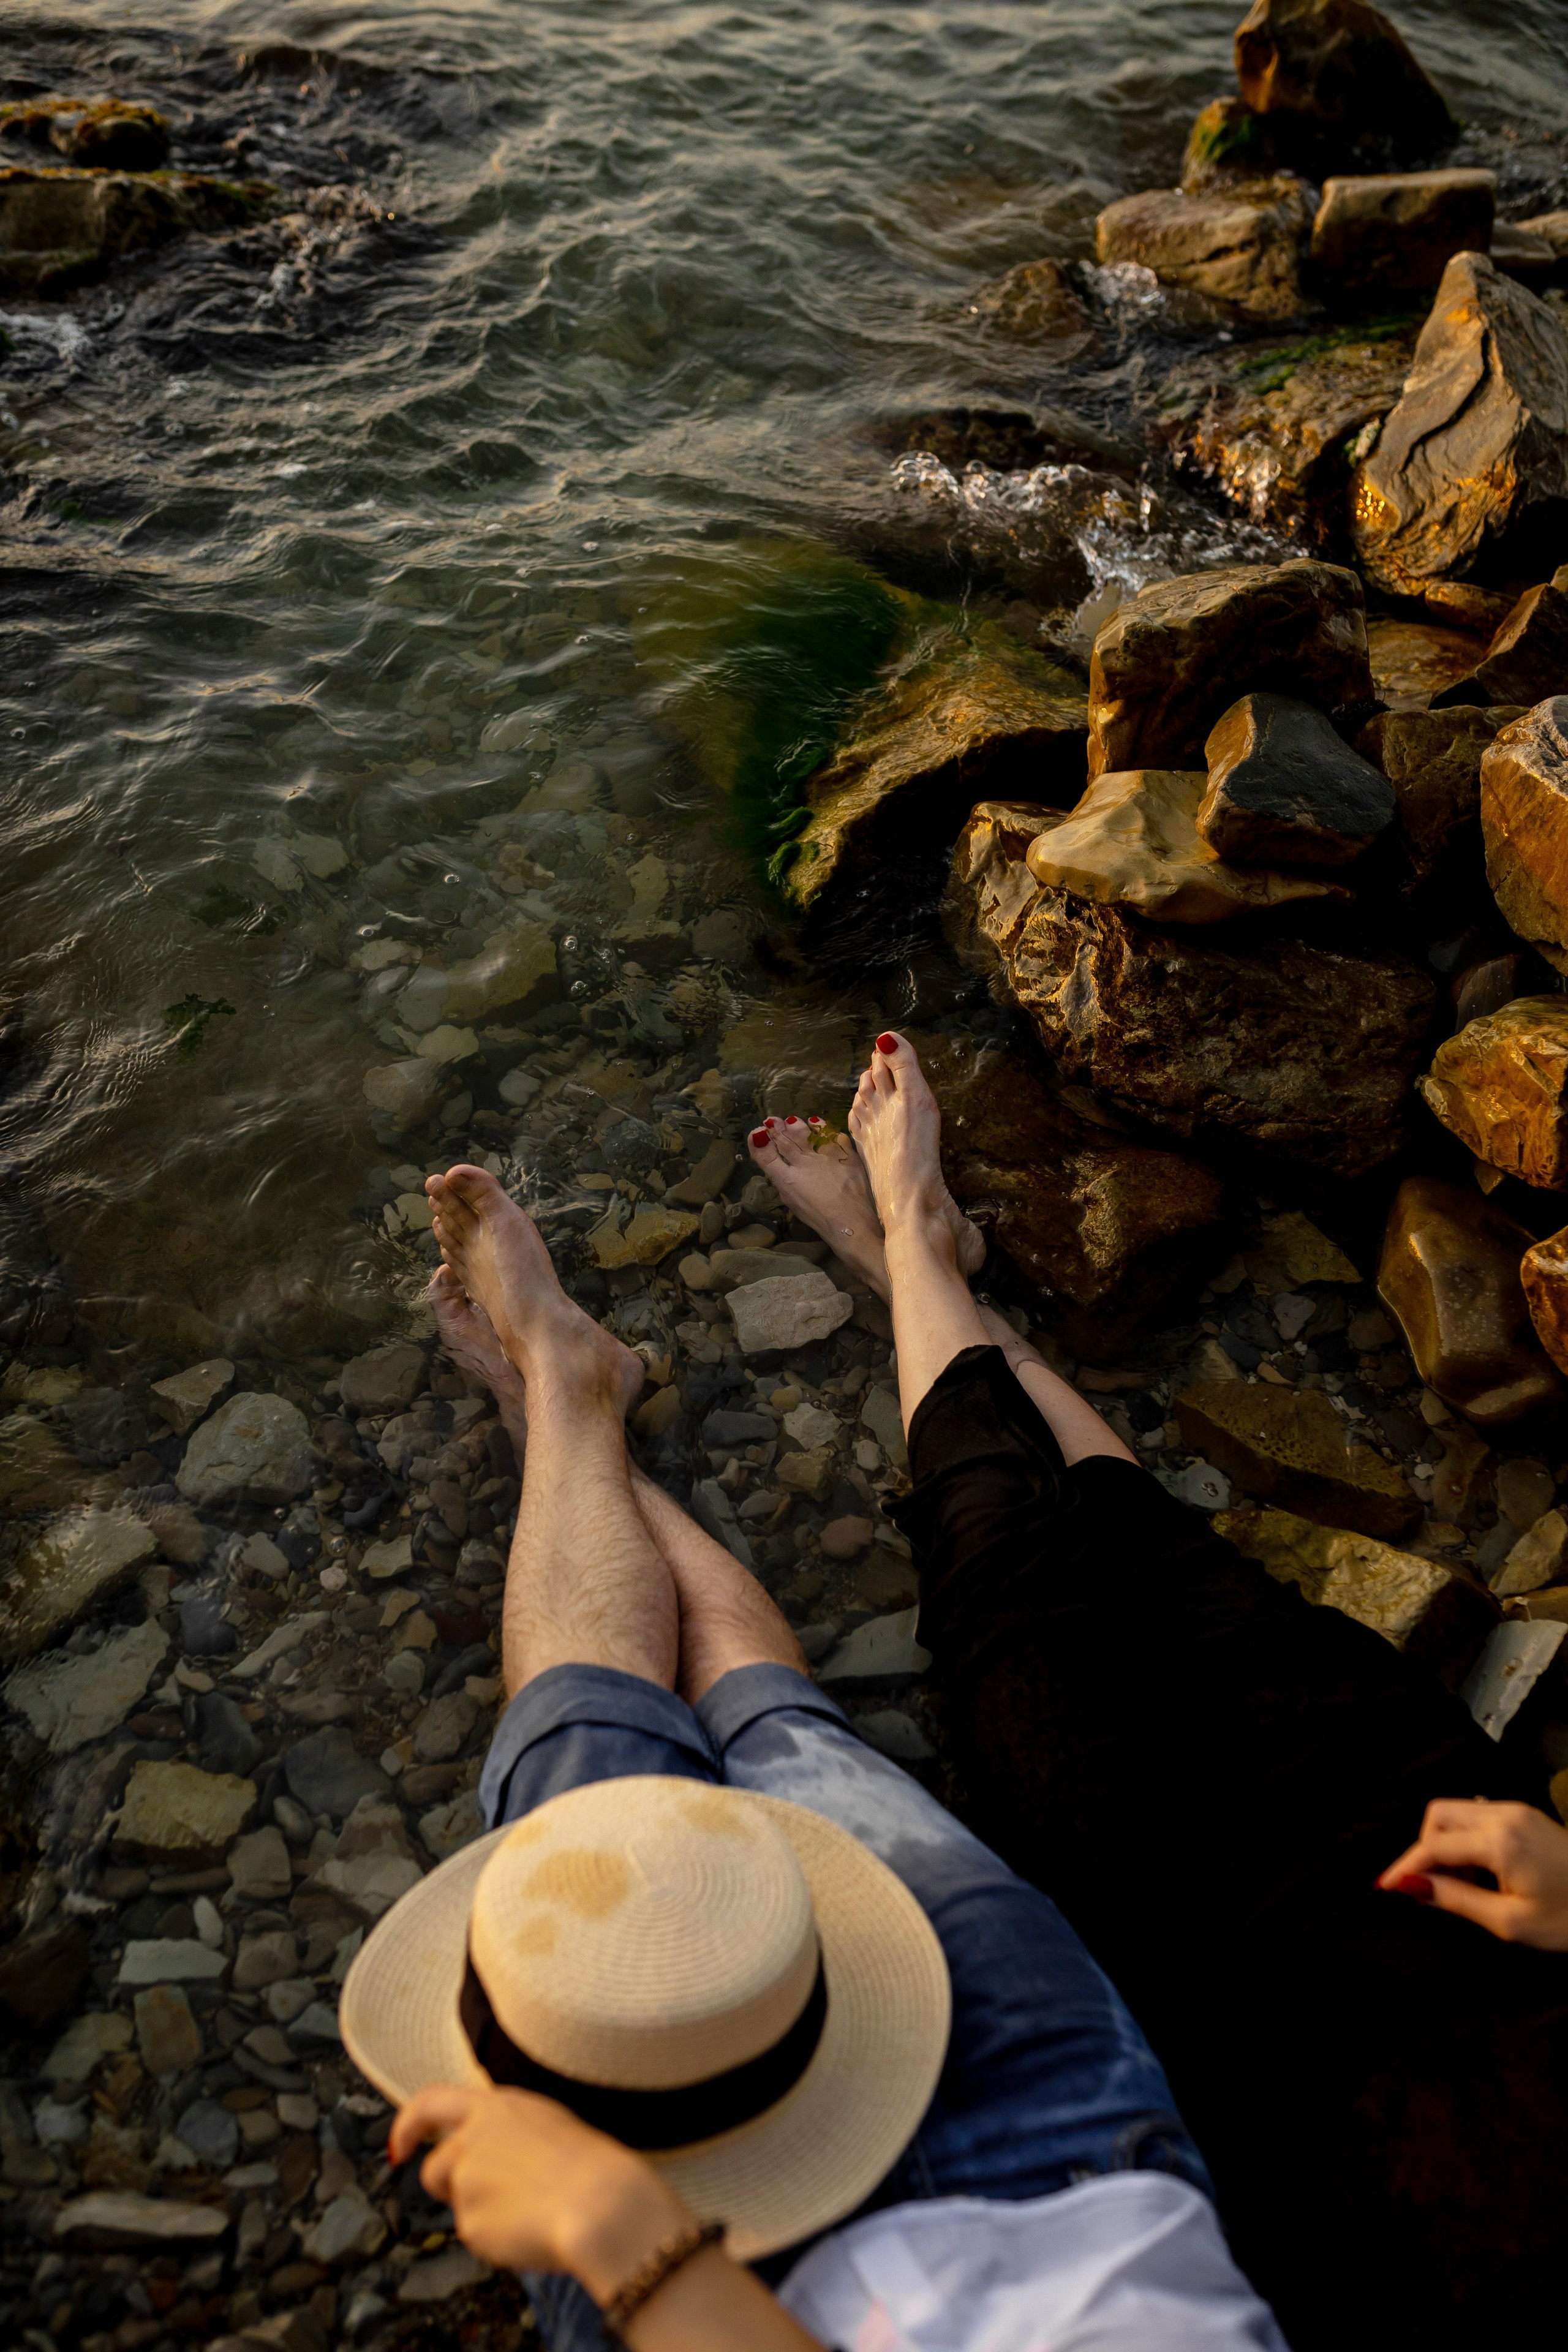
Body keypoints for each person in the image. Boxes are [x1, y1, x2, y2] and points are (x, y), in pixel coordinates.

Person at [344, 1043, 1291, 2352]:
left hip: (705, 2211)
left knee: (617, 1729)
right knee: (763, 1718)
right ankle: (562, 1390)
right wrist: (630, 2249)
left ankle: (560, 1394)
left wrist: (630, 2248)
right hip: (1047, 2156)